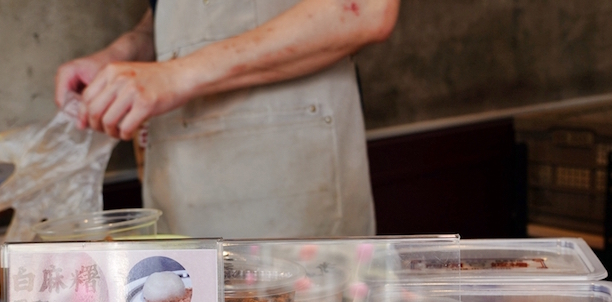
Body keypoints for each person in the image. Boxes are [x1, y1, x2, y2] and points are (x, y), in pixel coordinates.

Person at [55, 0, 400, 238]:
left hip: (284, 177)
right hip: (179, 178)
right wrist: (131, 49)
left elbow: (366, 10)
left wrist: (175, 76)